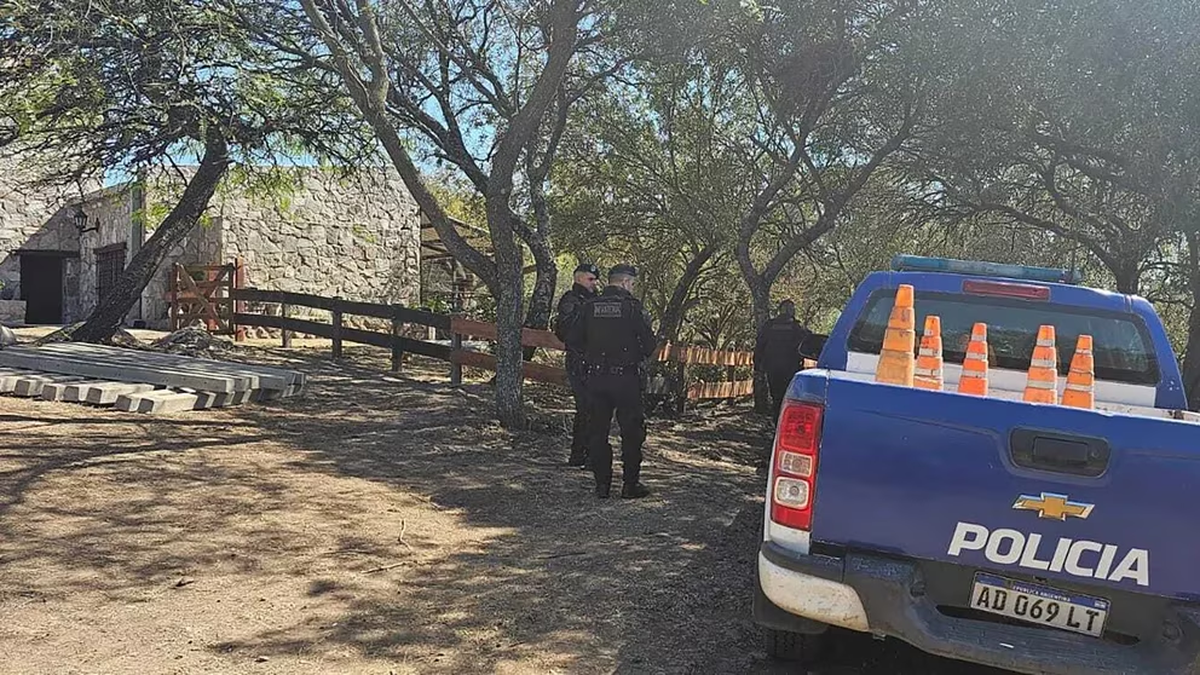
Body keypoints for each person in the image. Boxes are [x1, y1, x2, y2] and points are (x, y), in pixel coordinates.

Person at [567, 264, 656, 499]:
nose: (632, 288)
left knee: (597, 431)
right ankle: (630, 485)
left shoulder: (589, 307)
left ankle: (602, 485)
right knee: (631, 432)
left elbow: (573, 339)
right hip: (626, 379)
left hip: (596, 378)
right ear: (625, 282)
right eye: (632, 284)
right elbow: (649, 345)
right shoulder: (633, 308)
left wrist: (592, 354)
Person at [553, 262, 600, 467]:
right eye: (591, 279)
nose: (594, 283)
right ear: (579, 278)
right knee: (587, 406)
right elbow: (564, 332)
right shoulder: (570, 300)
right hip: (578, 361)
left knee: (591, 408)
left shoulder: (597, 300)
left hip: (596, 362)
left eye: (595, 279)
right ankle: (584, 454)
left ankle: (581, 454)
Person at [755, 299, 812, 417]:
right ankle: (784, 420)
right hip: (790, 368)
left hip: (772, 368)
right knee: (789, 396)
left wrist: (757, 365)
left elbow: (760, 345)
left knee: (776, 397)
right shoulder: (797, 327)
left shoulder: (769, 325)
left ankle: (777, 420)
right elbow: (808, 342)